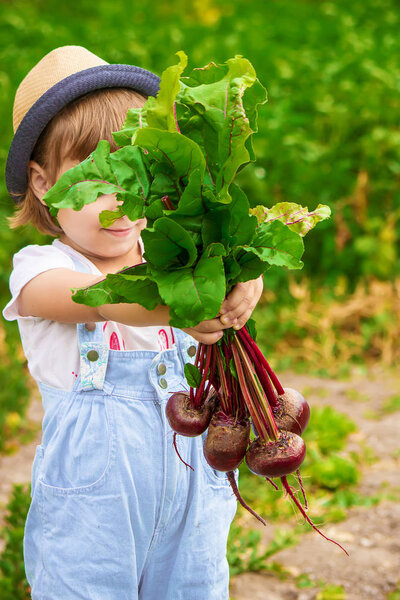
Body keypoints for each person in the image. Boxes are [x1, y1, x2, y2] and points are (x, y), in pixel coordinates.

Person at [2, 46, 263, 600]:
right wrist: (188, 305)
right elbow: (102, 301)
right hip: (94, 513)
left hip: (193, 498)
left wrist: (245, 281)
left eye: (140, 172)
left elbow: (235, 268)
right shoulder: (42, 271)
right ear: (45, 182)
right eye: (100, 177)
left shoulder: (176, 259)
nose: (123, 199)